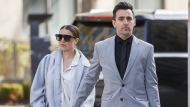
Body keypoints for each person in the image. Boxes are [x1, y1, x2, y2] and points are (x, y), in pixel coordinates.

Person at [73, 2, 160, 107]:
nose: (125, 22)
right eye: (121, 19)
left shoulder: (147, 49)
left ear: (134, 22)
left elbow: (151, 85)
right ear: (114, 23)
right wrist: (75, 104)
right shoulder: (101, 47)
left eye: (129, 18)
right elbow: (90, 79)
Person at [30, 25, 95, 107]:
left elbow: (88, 99)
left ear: (76, 40)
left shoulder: (85, 67)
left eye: (67, 37)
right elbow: (37, 92)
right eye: (59, 37)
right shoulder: (47, 61)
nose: (62, 40)